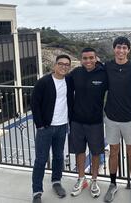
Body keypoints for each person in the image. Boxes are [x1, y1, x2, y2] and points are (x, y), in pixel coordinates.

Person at [103, 36, 131, 203]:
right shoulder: (107, 66)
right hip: (111, 118)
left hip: (130, 118)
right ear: (114, 49)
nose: (121, 50)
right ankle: (112, 184)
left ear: (129, 50)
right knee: (113, 153)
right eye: (118, 47)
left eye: (125, 48)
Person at [31, 54, 72, 203]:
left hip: (62, 126)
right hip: (46, 127)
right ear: (55, 65)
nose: (63, 66)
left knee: (59, 156)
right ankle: (37, 192)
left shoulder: (69, 80)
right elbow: (34, 104)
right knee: (41, 160)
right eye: (61, 64)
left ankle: (56, 182)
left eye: (67, 65)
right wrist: (40, 125)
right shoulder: (43, 82)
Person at [68, 48, 108, 198]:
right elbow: (62, 85)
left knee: (96, 152)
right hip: (77, 121)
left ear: (96, 58)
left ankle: (94, 180)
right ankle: (81, 179)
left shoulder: (103, 74)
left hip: (95, 122)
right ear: (81, 59)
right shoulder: (76, 73)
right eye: (85, 58)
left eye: (91, 58)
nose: (88, 61)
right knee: (79, 151)